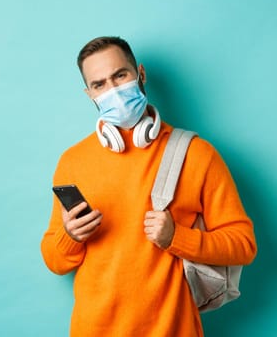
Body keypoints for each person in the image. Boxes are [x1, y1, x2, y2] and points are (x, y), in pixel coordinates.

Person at [41, 36, 257, 337]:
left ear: (140, 74)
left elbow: (244, 245)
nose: (113, 90)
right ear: (89, 93)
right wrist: (70, 236)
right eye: (100, 84)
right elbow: (54, 260)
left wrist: (176, 237)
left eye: (120, 75)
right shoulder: (73, 161)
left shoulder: (197, 153)